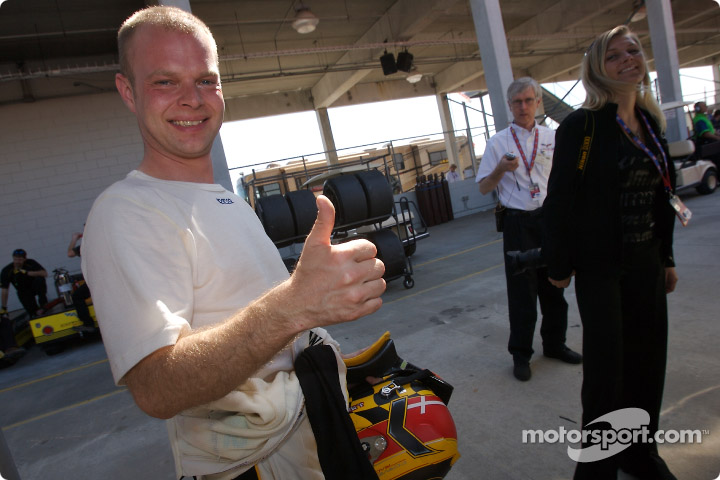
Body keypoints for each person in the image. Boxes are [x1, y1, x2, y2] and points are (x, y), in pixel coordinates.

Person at [81, 7, 385, 480]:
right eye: (165, 82)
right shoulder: (126, 211)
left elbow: (267, 334)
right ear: (128, 91)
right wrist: (296, 305)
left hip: (318, 437)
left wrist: (327, 352)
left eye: (206, 80)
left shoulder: (227, 199)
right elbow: (157, 388)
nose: (192, 100)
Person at [543, 25, 678, 480]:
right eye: (615, 54)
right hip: (601, 268)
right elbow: (559, 199)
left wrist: (668, 258)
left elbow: (662, 195)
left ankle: (640, 454)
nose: (628, 59)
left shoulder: (652, 124)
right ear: (598, 69)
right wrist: (559, 266)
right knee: (606, 375)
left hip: (647, 262)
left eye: (634, 50)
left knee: (647, 364)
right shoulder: (583, 126)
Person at [475, 76, 581, 382]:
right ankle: (521, 355)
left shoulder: (552, 138)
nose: (523, 106)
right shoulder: (498, 143)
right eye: (517, 102)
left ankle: (555, 344)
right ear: (509, 106)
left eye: (528, 100)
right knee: (522, 294)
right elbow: (483, 187)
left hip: (549, 218)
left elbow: (567, 179)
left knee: (555, 285)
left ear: (538, 102)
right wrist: (500, 169)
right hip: (517, 221)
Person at [1, 249, 48, 318]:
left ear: (25, 259)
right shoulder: (7, 270)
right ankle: (34, 312)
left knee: (40, 279)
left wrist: (27, 273)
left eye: (20, 260)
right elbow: (4, 290)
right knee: (33, 313)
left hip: (35, 287)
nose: (17, 262)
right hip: (23, 291)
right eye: (15, 259)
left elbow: (44, 273)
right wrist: (4, 307)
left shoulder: (30, 263)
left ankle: (43, 304)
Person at [67, 232, 96, 333]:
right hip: (107, 277)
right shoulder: (102, 241)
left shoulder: (85, 246)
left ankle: (88, 324)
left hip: (95, 279)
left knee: (77, 296)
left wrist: (74, 239)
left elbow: (70, 253)